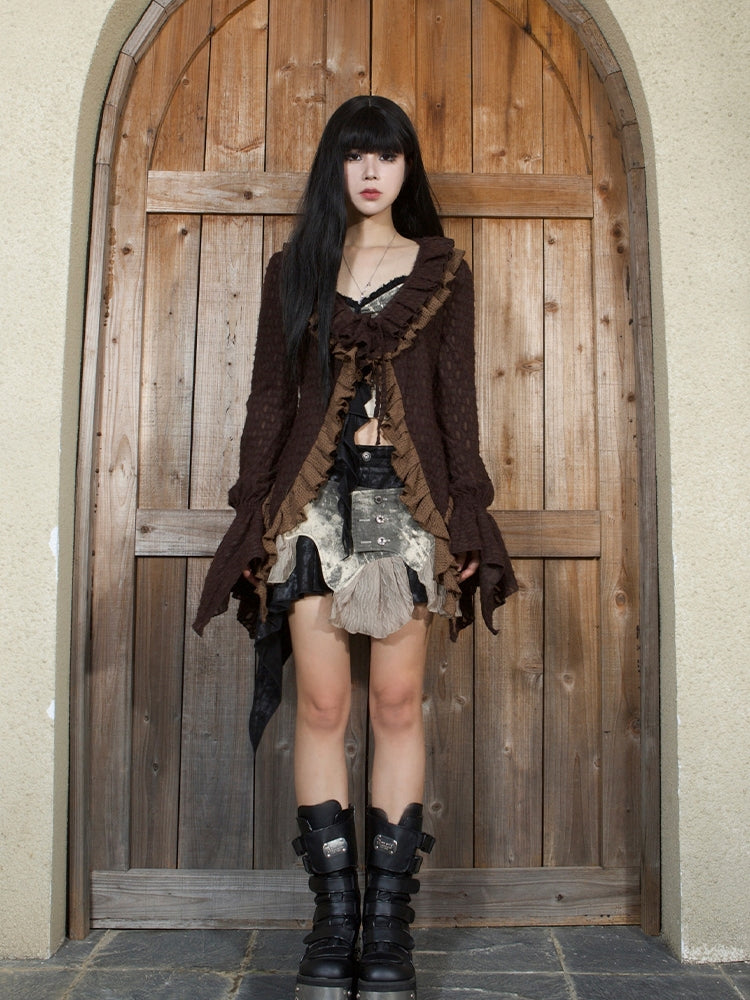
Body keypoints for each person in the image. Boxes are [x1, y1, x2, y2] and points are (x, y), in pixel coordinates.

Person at [193, 95, 517, 1000]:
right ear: (333, 168)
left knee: (398, 703)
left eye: (388, 156)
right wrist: (251, 512)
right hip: (313, 508)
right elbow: (269, 399)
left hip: (403, 507)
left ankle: (390, 935)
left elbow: (456, 403)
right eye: (354, 155)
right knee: (325, 705)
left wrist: (467, 512)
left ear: (407, 169)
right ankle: (334, 925)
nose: (372, 172)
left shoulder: (442, 271)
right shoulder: (294, 269)